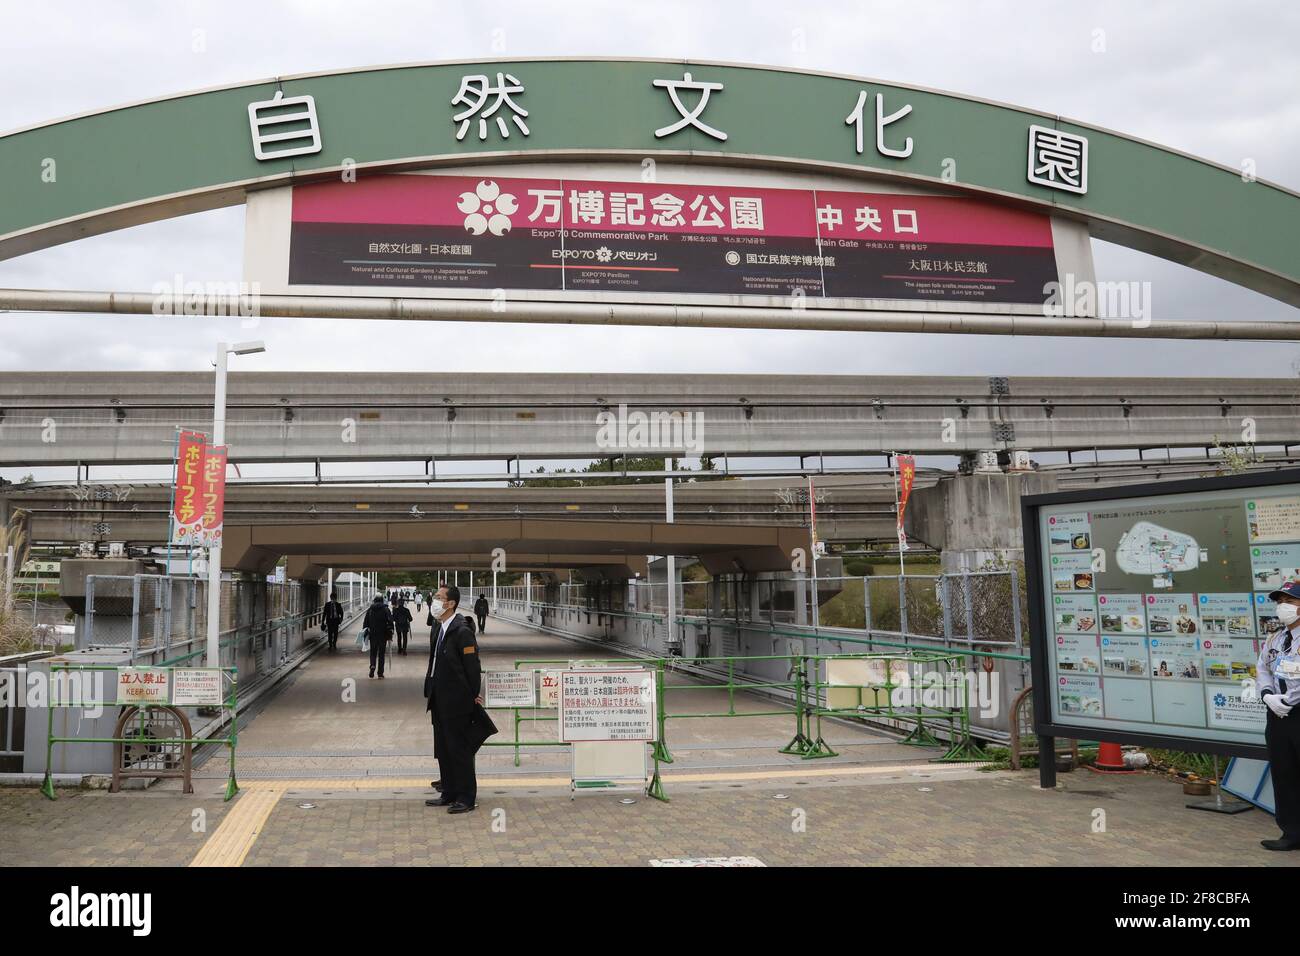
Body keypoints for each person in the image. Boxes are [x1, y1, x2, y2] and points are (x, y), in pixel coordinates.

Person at [424, 585, 494, 814]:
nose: (434, 601)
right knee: (443, 749)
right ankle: (449, 792)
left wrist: (473, 695)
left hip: (458, 701)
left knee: (459, 749)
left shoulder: (462, 631)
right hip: (438, 698)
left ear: (451, 603)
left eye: (439, 597)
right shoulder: (438, 627)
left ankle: (466, 797)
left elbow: (472, 667)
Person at [1258, 580, 1300, 850]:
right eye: (1279, 601)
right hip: (1278, 714)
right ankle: (1292, 833)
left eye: (1290, 601)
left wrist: (1289, 699)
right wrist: (1267, 696)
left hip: (1297, 710)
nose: (1283, 607)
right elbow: (1263, 666)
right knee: (1284, 774)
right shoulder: (1275, 637)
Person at [362, 594, 393, 679]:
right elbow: (390, 622)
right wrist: (390, 632)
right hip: (383, 635)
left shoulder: (370, 610)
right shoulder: (386, 609)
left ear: (374, 601)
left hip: (373, 634)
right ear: (382, 600)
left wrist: (365, 632)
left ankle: (372, 665)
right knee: (381, 654)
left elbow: (365, 623)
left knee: (373, 652)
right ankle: (380, 673)